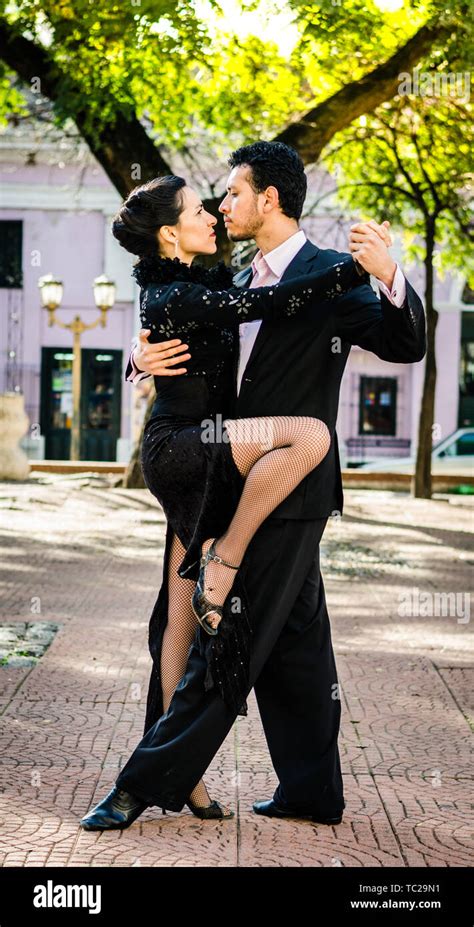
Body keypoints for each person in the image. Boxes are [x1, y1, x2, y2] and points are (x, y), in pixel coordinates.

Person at [81, 142, 426, 831]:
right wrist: (135, 355)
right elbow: (180, 322)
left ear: (268, 199)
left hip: (290, 490)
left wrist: (391, 276)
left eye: (234, 192)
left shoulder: (336, 271)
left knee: (226, 638)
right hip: (217, 477)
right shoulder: (231, 274)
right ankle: (312, 791)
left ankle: (142, 783)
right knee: (297, 642)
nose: (222, 204)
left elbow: (405, 344)